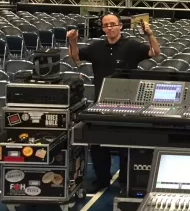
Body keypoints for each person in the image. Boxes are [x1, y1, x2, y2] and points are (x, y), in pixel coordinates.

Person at [66, 13, 160, 192]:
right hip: (101, 102)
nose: (109, 28)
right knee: (98, 145)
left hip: (128, 103)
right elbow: (76, 58)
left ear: (120, 26)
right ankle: (102, 179)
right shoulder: (96, 47)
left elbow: (155, 52)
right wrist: (73, 42)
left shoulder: (131, 45)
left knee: (126, 145)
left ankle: (125, 180)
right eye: (105, 25)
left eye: (112, 24)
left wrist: (149, 34)